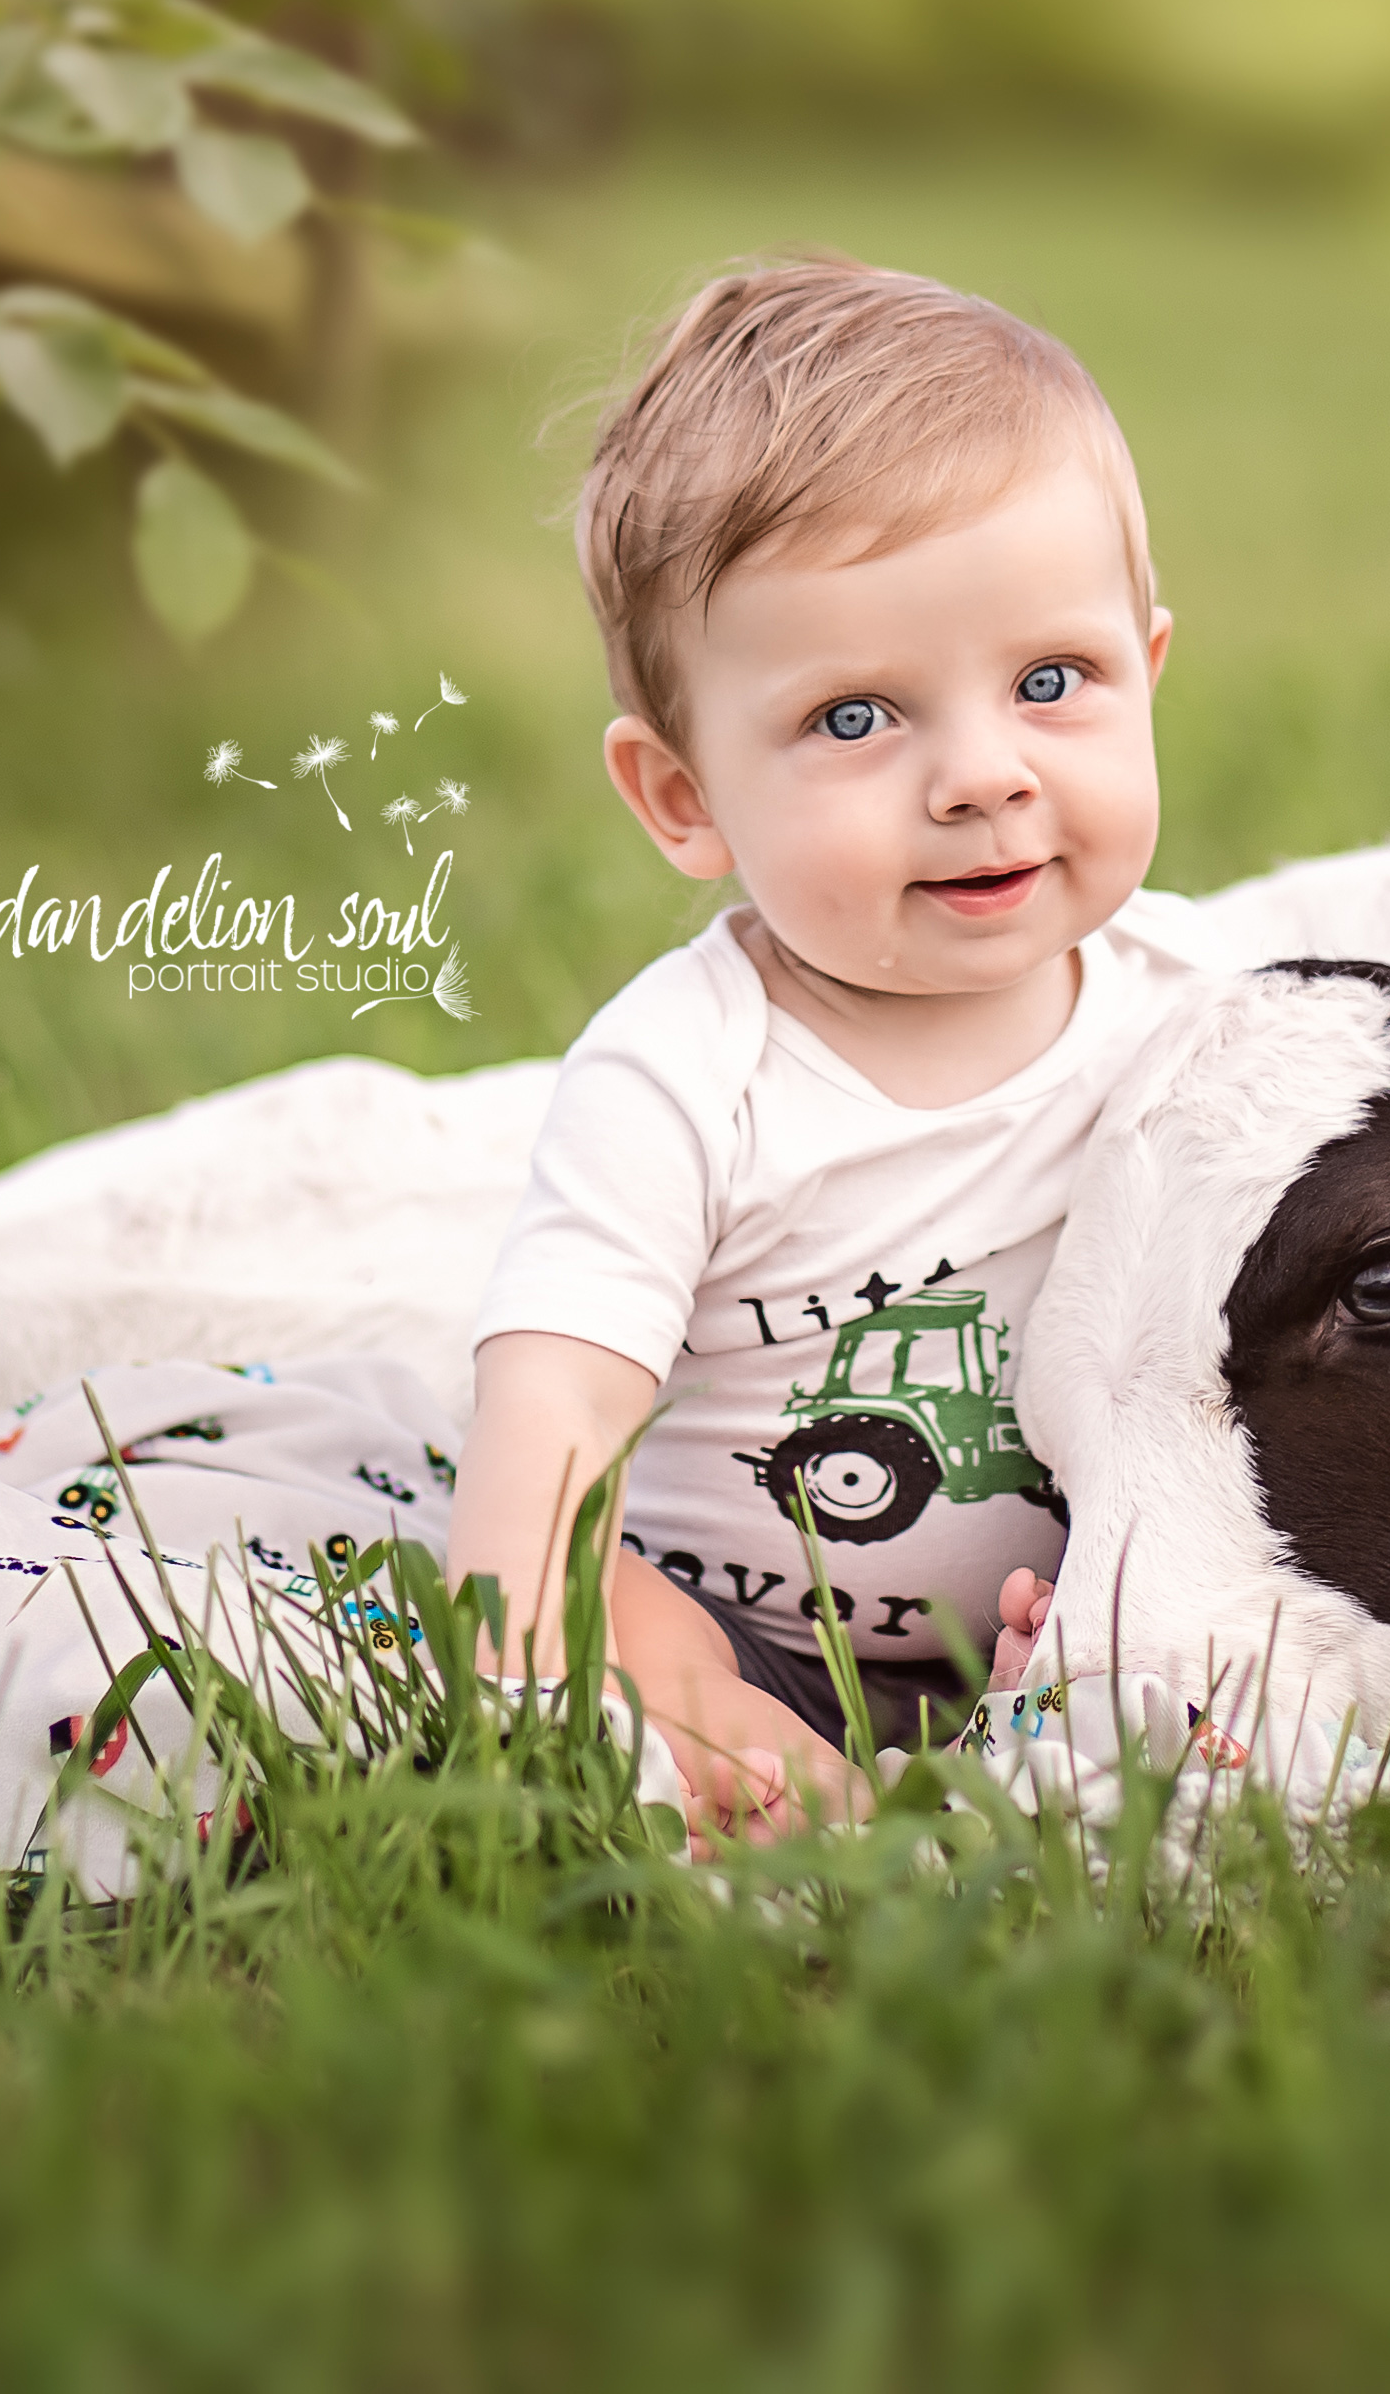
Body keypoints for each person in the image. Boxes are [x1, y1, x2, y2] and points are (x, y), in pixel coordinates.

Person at [451, 256, 1201, 1840]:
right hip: (753, 1639)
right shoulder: (683, 1078)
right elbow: (554, 1429)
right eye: (857, 718)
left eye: (1051, 682)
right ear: (683, 798)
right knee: (640, 1685)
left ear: (1151, 673)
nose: (979, 775)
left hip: (1081, 1616)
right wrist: (563, 1693)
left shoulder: (1206, 1019)